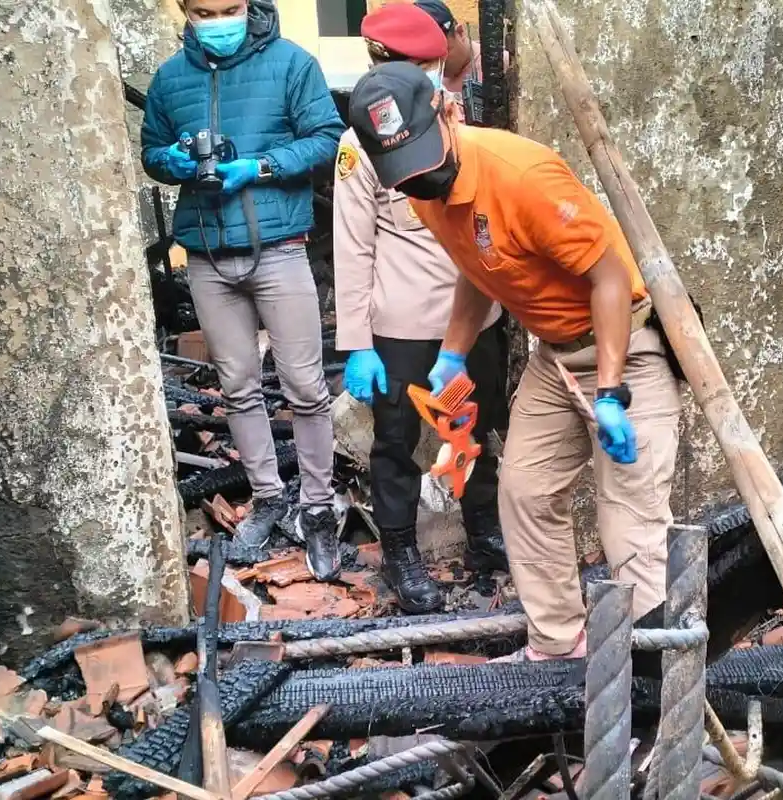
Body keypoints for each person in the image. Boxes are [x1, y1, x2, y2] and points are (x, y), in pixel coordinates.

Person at [347, 62, 681, 660]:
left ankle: (648, 674)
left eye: (426, 159)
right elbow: (479, 268)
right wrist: (450, 354)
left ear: (450, 112)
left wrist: (610, 393)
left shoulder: (522, 176)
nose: (421, 180)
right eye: (404, 172)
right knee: (525, 494)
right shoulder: (424, 187)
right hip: (553, 360)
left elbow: (608, 280)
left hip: (622, 351)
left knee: (629, 525)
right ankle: (558, 646)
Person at [140, 0, 346, 578]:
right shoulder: (169, 78)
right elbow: (151, 151)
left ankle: (318, 507)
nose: (221, 19)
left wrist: (257, 167)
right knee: (237, 386)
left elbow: (327, 138)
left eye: (231, 7)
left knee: (306, 385)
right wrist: (175, 160)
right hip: (207, 255)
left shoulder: (291, 63)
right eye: (207, 10)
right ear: (185, 9)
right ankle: (268, 497)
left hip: (279, 249)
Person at [333, 4, 509, 614]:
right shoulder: (363, 145)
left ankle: (485, 535)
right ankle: (403, 555)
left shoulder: (465, 125)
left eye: (426, 63)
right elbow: (352, 247)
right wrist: (357, 342)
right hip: (403, 328)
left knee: (476, 431)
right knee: (400, 445)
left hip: (476, 318)